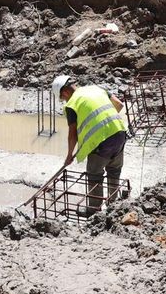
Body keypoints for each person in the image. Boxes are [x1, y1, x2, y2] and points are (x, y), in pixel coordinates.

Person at [55, 75, 129, 214]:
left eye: (62, 98)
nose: (64, 100)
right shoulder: (96, 88)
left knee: (94, 174)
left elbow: (72, 134)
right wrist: (104, 123)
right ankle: (113, 206)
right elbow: (118, 104)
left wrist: (69, 155)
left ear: (64, 92)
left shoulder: (72, 104)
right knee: (114, 170)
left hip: (101, 142)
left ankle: (94, 211)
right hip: (120, 133)